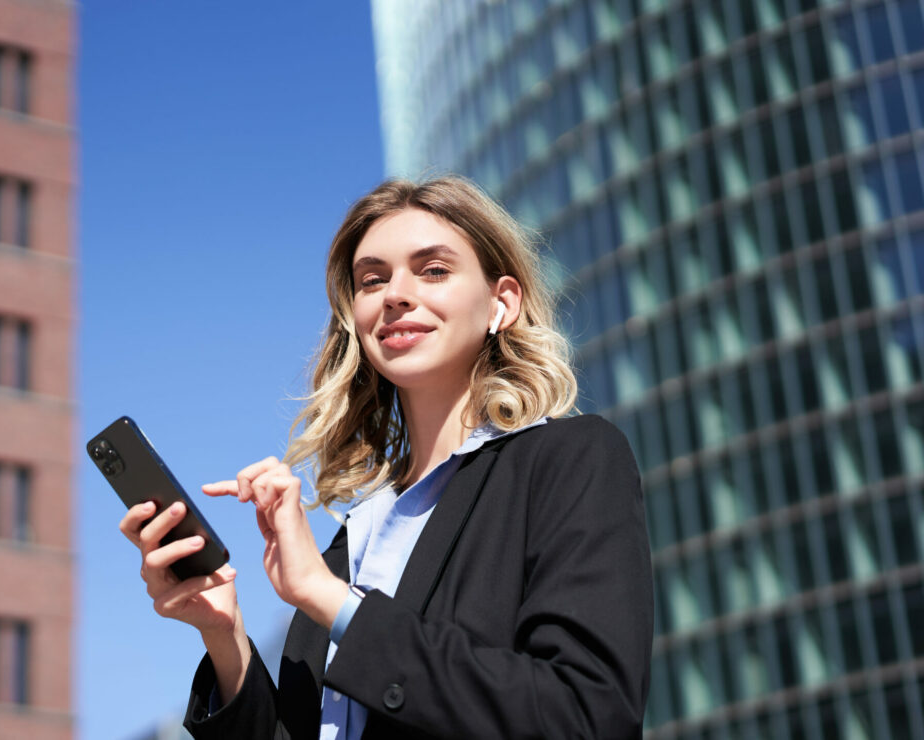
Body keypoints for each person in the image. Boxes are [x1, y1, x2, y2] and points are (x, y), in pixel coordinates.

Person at [118, 176, 653, 739]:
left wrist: (333, 602)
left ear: (503, 303)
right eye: (372, 280)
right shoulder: (353, 540)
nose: (395, 294)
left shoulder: (570, 461)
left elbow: (588, 715)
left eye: (434, 270)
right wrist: (223, 634)